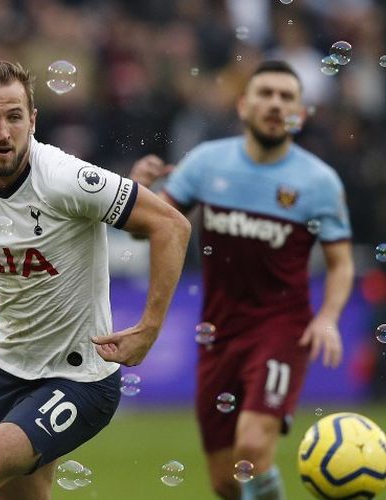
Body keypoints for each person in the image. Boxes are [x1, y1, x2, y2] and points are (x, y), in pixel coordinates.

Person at [0, 60, 191, 500]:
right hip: (10, 370)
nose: (3, 131)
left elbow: (172, 226)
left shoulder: (65, 179)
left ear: (33, 119)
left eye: (15, 116)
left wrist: (150, 328)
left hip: (81, 376)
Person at [130, 60, 354, 500]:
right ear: (243, 105)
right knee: (226, 482)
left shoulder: (319, 182)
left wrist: (327, 316)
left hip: (281, 328)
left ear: (301, 114)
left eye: (287, 97)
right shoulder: (206, 163)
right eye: (265, 94)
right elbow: (147, 227)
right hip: (218, 333)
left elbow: (342, 262)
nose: (275, 104)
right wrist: (139, 191)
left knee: (252, 446)